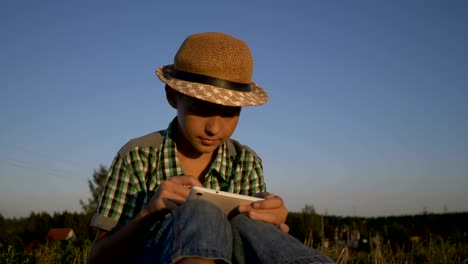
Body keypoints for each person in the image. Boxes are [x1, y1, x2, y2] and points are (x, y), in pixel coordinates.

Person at [87, 32, 334, 264]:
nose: (214, 129)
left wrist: (270, 222)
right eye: (202, 109)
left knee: (250, 225)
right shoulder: (137, 156)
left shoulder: (245, 162)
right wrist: (148, 214)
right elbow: (97, 258)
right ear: (173, 96)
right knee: (200, 212)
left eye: (229, 113)